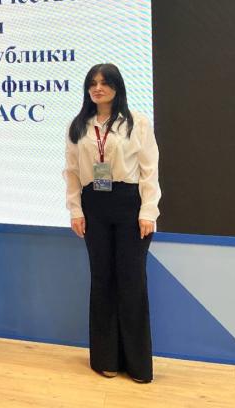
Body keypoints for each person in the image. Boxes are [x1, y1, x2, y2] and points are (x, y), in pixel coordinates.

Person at [63, 63, 160, 383]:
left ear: (117, 87)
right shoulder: (78, 125)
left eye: (104, 83)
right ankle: (106, 358)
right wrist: (75, 210)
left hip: (129, 204)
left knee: (132, 282)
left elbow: (149, 170)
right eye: (92, 83)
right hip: (94, 205)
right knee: (102, 280)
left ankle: (138, 365)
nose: (97, 88)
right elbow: (72, 172)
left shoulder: (137, 123)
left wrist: (148, 211)